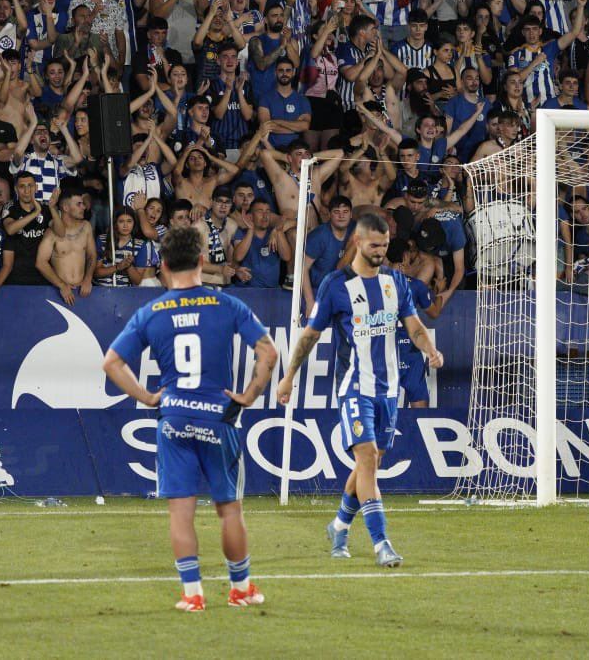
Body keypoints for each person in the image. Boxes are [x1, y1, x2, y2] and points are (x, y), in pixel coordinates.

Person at [102, 225, 279, 611]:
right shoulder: (227, 305)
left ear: (162, 265)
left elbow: (111, 363)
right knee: (228, 508)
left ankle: (192, 594)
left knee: (181, 510)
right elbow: (268, 353)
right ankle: (240, 588)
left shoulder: (151, 312)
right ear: (202, 260)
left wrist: (148, 396)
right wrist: (248, 395)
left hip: (175, 417)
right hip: (219, 417)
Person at [276, 208, 443, 567]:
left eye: (384, 245)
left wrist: (429, 348)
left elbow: (413, 325)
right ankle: (382, 543)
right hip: (354, 387)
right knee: (366, 458)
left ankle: (339, 525)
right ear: (357, 241)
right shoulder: (335, 286)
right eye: (374, 245)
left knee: (371, 463)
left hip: (389, 391)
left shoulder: (395, 283)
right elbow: (310, 335)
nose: (381, 251)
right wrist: (289, 375)